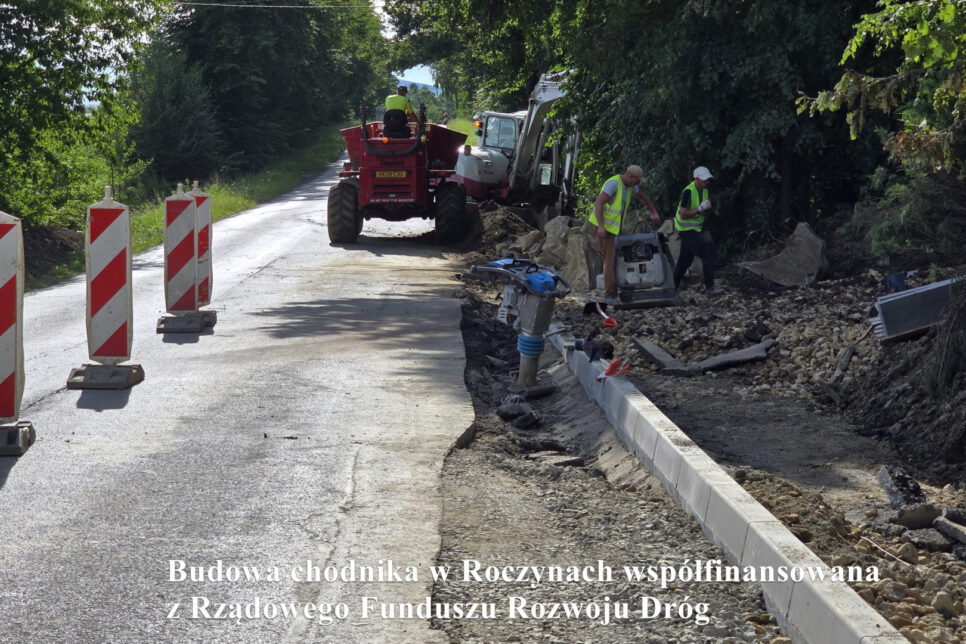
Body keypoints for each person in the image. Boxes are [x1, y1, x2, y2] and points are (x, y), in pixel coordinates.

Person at [589, 165, 660, 304]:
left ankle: (622, 285)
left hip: (615, 228)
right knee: (610, 258)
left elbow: (642, 196)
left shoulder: (630, 186)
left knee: (619, 256)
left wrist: (653, 211)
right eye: (637, 181)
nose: (638, 184)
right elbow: (598, 204)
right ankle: (609, 293)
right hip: (603, 226)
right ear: (630, 177)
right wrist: (601, 226)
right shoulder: (614, 184)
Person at [673, 166, 721, 295]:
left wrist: (710, 207)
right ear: (697, 179)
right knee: (708, 252)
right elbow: (683, 213)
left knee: (685, 260)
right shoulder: (688, 192)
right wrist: (699, 209)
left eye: (708, 180)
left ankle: (673, 285)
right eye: (704, 180)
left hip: (695, 229)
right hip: (686, 229)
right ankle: (709, 287)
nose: (707, 182)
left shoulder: (704, 190)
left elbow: (703, 210)